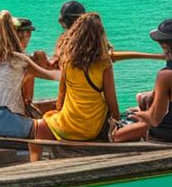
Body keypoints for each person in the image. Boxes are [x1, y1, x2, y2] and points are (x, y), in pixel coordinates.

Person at [29, 12, 119, 161]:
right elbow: (111, 101)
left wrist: (57, 110)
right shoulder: (104, 65)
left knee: (40, 127)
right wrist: (116, 122)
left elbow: (61, 99)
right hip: (94, 127)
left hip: (70, 125)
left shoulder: (68, 63)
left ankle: (36, 165)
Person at [113, 19, 172, 143]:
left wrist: (139, 114)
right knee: (144, 100)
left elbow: (154, 120)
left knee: (116, 135)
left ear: (164, 46)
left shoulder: (165, 75)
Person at [0, 11, 59, 139]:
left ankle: (26, 107)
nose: (29, 37)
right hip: (2, 118)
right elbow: (50, 75)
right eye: (28, 33)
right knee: (48, 129)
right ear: (24, 34)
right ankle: (39, 158)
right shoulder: (18, 60)